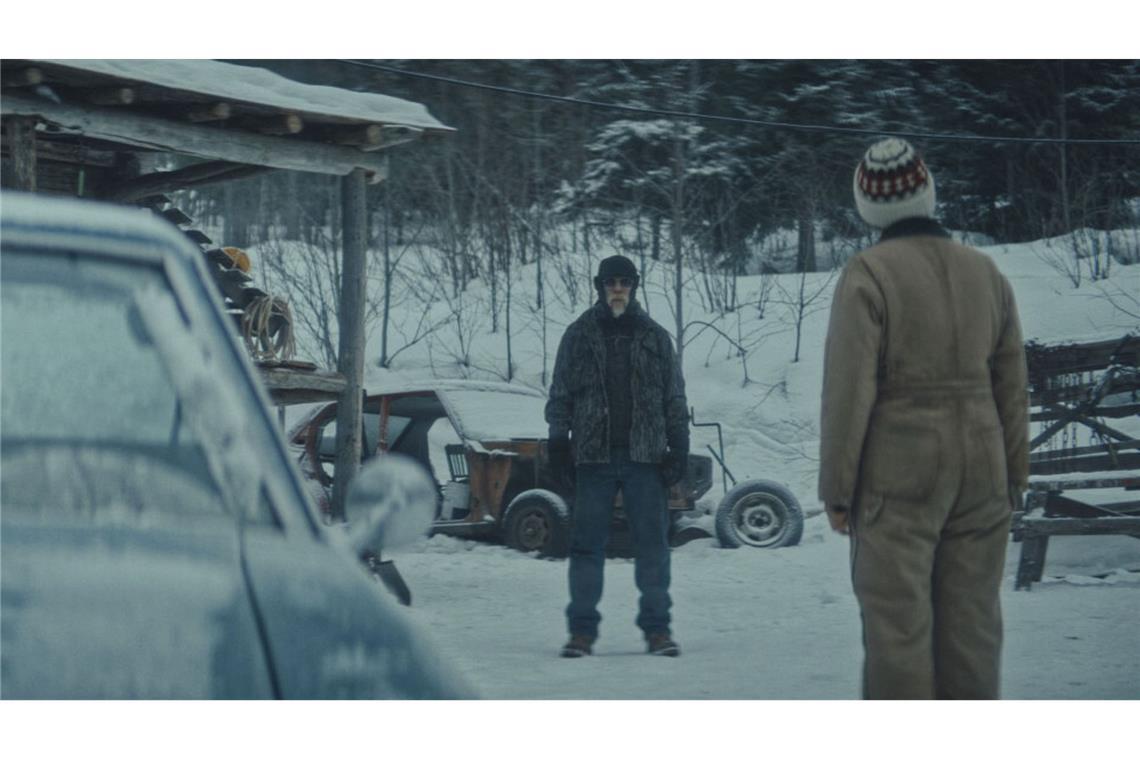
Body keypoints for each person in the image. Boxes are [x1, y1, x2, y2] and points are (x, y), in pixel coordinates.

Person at [819, 138, 1029, 699]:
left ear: (868, 207)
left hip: (901, 471)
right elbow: (1012, 384)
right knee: (973, 631)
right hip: (983, 468)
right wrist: (1015, 476)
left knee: (898, 633)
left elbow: (848, 390)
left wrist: (838, 492)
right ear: (929, 194)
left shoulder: (868, 273)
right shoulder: (986, 273)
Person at [546, 254, 689, 658]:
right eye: (611, 282)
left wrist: (678, 447)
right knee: (586, 547)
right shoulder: (578, 335)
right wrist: (559, 444)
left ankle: (658, 631)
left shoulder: (656, 338)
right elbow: (560, 395)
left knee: (653, 547)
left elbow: (674, 398)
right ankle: (581, 633)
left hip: (646, 458)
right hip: (593, 458)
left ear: (635, 285)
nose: (618, 288)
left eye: (625, 281)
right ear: (599, 286)